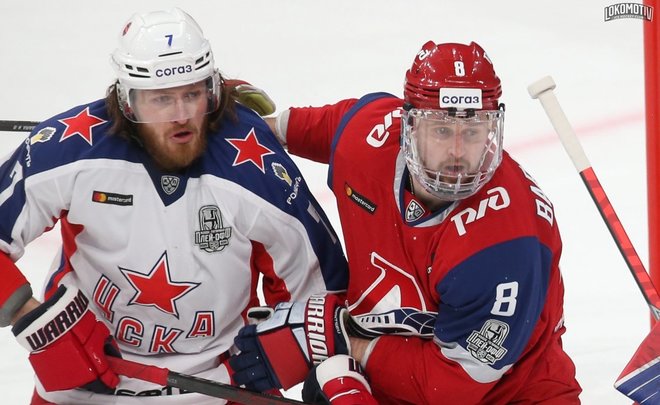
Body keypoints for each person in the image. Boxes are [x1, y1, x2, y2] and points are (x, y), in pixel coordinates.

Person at [0, 8, 347, 405]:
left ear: (212, 91)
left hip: (222, 384)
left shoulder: (255, 168)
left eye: (192, 94)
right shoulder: (71, 150)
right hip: (83, 382)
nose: (182, 115)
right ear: (127, 102)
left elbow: (323, 296)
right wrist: (30, 314)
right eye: (162, 98)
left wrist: (298, 350)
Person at [228, 41, 583, 404]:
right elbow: (328, 127)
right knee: (332, 381)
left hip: (511, 394)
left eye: (472, 132)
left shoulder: (504, 243)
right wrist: (230, 132)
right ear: (408, 125)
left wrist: (339, 340)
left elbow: (448, 388)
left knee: (336, 378)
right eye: (441, 130)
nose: (457, 152)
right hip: (407, 373)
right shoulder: (370, 135)